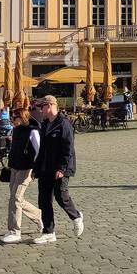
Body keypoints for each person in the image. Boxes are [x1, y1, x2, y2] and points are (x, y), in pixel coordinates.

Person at [31, 96, 83, 245]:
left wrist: (62, 168)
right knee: (44, 200)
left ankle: (76, 216)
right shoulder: (45, 124)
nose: (41, 110)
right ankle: (48, 232)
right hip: (46, 167)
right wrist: (36, 168)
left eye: (42, 107)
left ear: (50, 106)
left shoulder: (64, 123)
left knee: (61, 196)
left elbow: (68, 148)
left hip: (61, 167)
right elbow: (42, 149)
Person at [2, 107, 44, 243]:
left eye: (15, 117)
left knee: (16, 197)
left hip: (27, 168)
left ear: (22, 118)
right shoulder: (16, 130)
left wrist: (35, 170)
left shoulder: (33, 131)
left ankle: (15, 231)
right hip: (14, 167)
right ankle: (38, 215)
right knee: (16, 199)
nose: (12, 120)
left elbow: (39, 151)